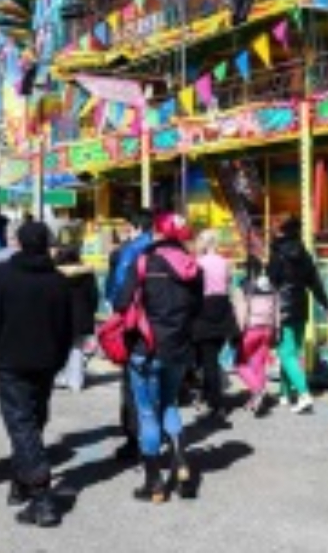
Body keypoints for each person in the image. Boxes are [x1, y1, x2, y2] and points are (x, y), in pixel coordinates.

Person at [0, 222, 74, 528]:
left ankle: (41, 495)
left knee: (22, 424)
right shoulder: (58, 281)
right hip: (45, 362)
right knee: (34, 420)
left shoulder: (4, 278)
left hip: (11, 362)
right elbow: (66, 328)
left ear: (18, 243)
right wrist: (59, 360)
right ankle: (21, 480)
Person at [115, 212, 201, 503]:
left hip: (146, 347)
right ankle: (181, 464)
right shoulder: (192, 266)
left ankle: (154, 484)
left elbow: (121, 301)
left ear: (158, 233)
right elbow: (198, 309)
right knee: (169, 403)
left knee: (147, 412)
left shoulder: (144, 261)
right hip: (178, 348)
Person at [267, 216, 328, 414]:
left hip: (283, 307)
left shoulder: (277, 252)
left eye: (275, 228)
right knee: (292, 351)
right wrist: (326, 304)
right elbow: (314, 280)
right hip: (301, 305)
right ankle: (285, 393)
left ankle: (304, 394)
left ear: (281, 231)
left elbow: (272, 280)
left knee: (285, 353)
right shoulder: (303, 252)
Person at [107, 211, 154, 461]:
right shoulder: (164, 250)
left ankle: (134, 438)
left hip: (135, 325)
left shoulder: (130, 251)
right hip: (163, 327)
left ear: (136, 227)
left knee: (131, 383)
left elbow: (118, 291)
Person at [192, 229, 238, 421]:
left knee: (207, 361)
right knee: (211, 357)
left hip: (204, 310)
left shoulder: (198, 263)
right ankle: (207, 396)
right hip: (223, 310)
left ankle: (215, 403)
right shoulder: (225, 263)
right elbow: (229, 286)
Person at [233, 260, 278, 416]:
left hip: (250, 329)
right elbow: (277, 309)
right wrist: (276, 328)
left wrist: (238, 330)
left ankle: (258, 390)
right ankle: (256, 400)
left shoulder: (244, 286)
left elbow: (241, 310)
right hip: (267, 329)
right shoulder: (271, 286)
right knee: (258, 365)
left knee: (239, 364)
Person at [54, 245, 100, 393]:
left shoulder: (55, 274)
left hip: (61, 315)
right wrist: (91, 311)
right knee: (77, 349)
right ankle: (76, 381)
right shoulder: (87, 273)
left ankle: (62, 377)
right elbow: (93, 296)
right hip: (81, 316)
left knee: (60, 348)